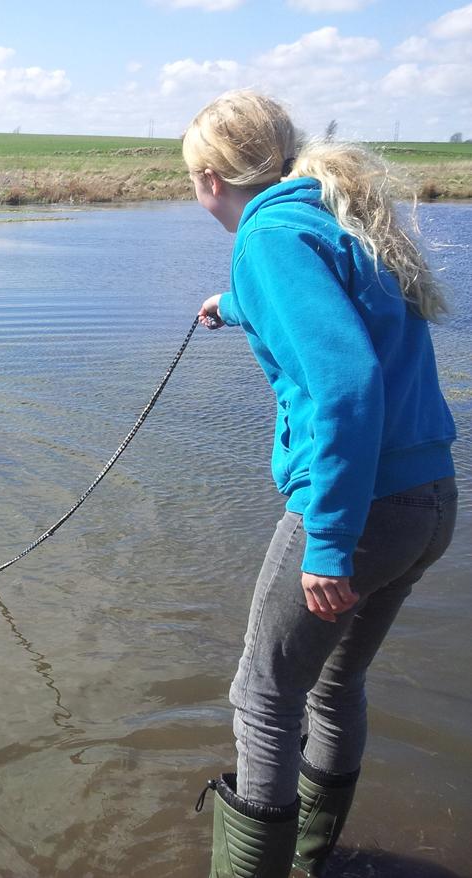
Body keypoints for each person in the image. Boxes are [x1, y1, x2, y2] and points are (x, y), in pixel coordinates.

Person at [182, 90, 458, 878]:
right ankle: (312, 861)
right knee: (335, 687)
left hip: (362, 513)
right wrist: (233, 305)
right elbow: (343, 313)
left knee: (263, 696)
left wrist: (329, 542)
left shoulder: (265, 236)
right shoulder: (328, 214)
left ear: (209, 178)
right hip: (428, 501)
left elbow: (344, 382)